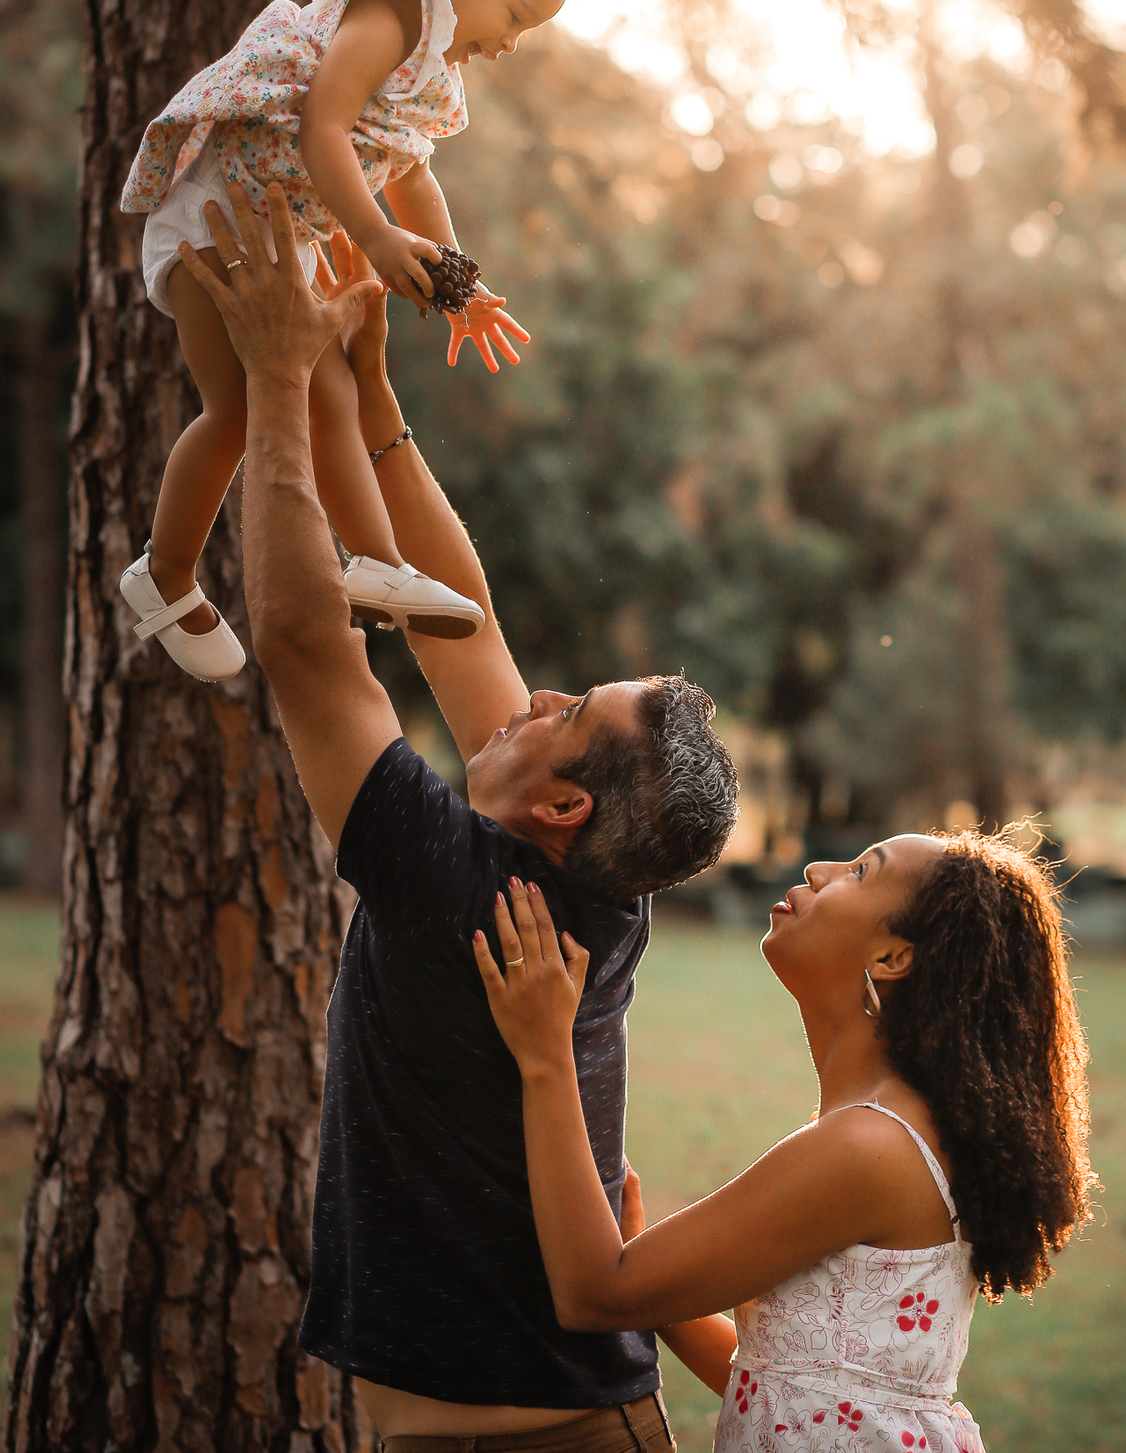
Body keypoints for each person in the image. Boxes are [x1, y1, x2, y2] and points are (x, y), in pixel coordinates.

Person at [176, 184, 739, 1450]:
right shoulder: (600, 887)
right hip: (554, 1418)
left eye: (567, 706)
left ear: (560, 801)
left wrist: (275, 379)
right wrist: (372, 391)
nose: (532, 690)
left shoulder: (464, 891)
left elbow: (308, 646)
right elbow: (462, 615)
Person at [119, 0, 631, 681]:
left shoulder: (435, 62)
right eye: (517, 13)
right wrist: (374, 236)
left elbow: (409, 175)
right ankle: (168, 574)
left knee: (325, 390)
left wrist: (453, 278)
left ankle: (370, 561)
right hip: (220, 218)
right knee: (243, 408)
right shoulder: (395, 4)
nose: (509, 41)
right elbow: (323, 124)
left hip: (278, 231)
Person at [475, 827, 1098, 1453]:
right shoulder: (890, 1129)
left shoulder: (867, 1146)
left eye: (859, 873)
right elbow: (788, 1384)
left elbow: (592, 1294)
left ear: (892, 957)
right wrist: (648, 1263)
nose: (820, 868)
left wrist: (545, 1051)